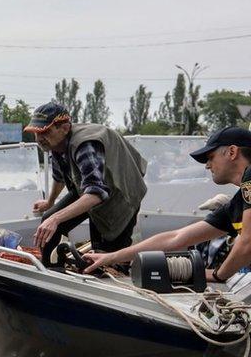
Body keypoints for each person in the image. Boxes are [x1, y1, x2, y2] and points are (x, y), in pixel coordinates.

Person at [84, 126, 251, 282]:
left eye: (210, 157)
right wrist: (110, 257)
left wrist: (219, 275)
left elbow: (247, 241)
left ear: (232, 152)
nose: (207, 166)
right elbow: (176, 238)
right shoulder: (237, 205)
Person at [26, 102, 148, 266]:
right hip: (89, 189)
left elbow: (96, 194)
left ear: (65, 128)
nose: (39, 138)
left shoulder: (85, 145)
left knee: (107, 255)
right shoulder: (54, 145)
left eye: (45, 131)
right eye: (36, 132)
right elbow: (59, 176)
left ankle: (112, 275)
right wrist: (50, 203)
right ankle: (49, 268)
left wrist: (56, 218)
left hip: (119, 193)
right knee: (49, 218)